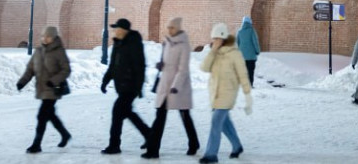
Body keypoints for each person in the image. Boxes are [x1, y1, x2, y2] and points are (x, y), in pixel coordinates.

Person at [143, 17, 199, 159]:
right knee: (159, 117)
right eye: (168, 27)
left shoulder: (184, 45)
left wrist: (175, 86)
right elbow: (167, 62)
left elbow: (183, 69)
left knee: (185, 116)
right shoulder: (167, 42)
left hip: (178, 88)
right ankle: (153, 150)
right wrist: (161, 65)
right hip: (165, 85)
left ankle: (194, 143)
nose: (169, 30)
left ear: (178, 28)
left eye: (172, 27)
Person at [199, 23, 252, 163]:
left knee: (216, 121)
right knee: (224, 123)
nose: (214, 41)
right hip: (215, 94)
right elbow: (204, 68)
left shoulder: (234, 54)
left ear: (223, 37)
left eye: (216, 38)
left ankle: (211, 154)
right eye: (213, 38)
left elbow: (243, 75)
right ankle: (237, 146)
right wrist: (212, 51)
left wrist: (248, 95)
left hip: (228, 94)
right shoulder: (214, 53)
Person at [16, 25, 71, 154]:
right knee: (50, 115)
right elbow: (30, 69)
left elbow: (66, 70)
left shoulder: (59, 51)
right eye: (43, 36)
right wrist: (22, 82)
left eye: (48, 36)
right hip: (41, 88)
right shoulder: (38, 51)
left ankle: (37, 144)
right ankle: (65, 134)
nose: (44, 38)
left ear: (53, 37)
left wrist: (54, 81)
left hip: (53, 89)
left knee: (42, 116)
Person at [101, 18, 152, 155]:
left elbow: (139, 66)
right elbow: (113, 65)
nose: (115, 31)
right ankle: (150, 135)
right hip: (121, 86)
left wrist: (139, 87)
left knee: (117, 112)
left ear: (124, 30)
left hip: (130, 87)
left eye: (117, 28)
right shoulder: (118, 44)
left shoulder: (134, 43)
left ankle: (114, 145)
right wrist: (105, 81)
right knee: (127, 113)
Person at [236, 16, 260, 84]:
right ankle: (250, 84)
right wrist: (257, 51)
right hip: (251, 56)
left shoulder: (240, 31)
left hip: (242, 56)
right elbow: (255, 42)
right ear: (250, 22)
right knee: (250, 70)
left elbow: (237, 43)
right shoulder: (252, 30)